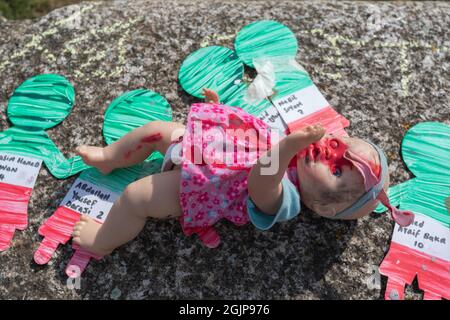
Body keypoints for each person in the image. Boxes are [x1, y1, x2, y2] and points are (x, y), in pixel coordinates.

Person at [72, 89, 414, 254]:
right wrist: (221, 110)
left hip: (198, 186)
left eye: (337, 169)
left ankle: (101, 242)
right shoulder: (292, 151)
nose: (328, 153)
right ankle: (110, 157)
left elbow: (259, 182)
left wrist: (288, 147)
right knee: (156, 130)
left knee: (136, 196)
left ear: (324, 207)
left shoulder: (289, 199)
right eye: (338, 147)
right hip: (202, 147)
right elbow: (245, 136)